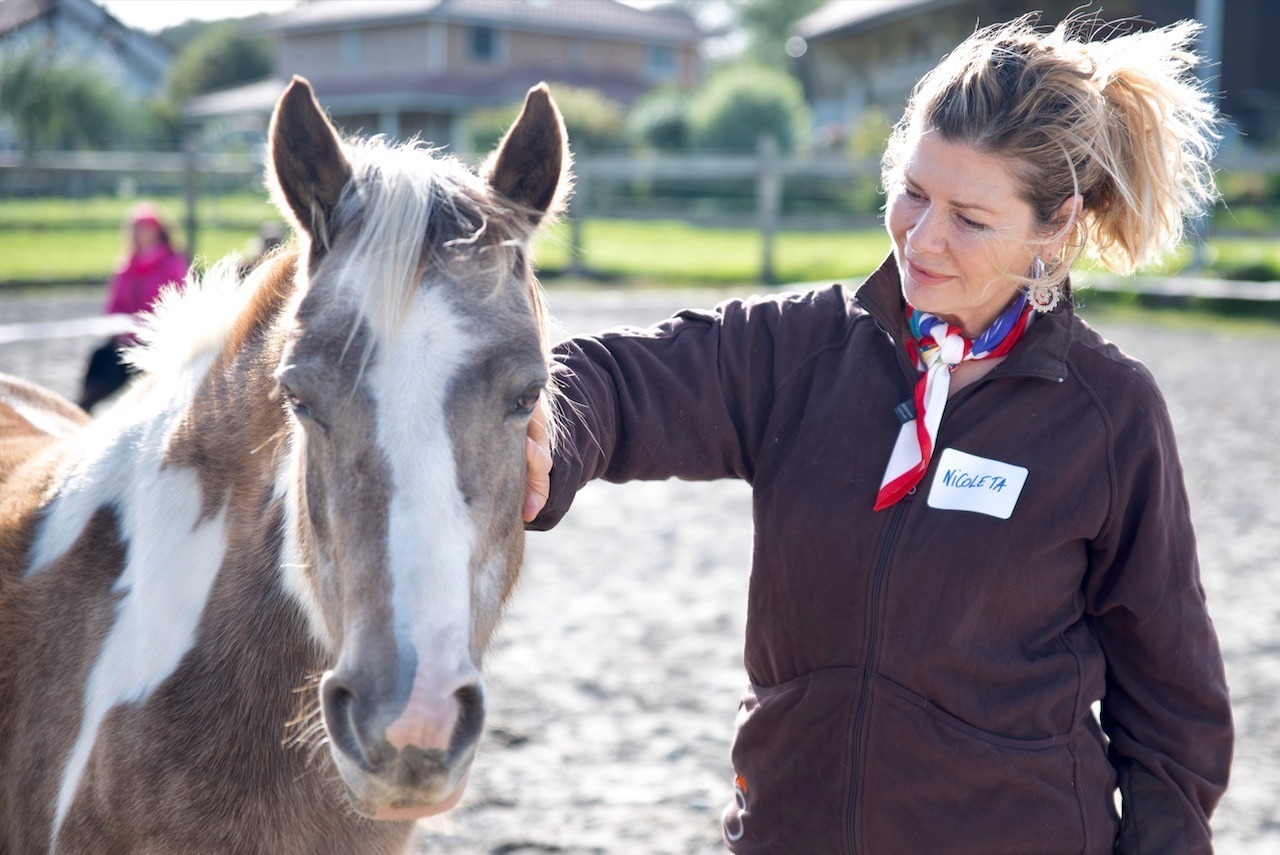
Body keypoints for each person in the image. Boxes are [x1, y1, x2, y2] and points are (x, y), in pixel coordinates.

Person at [521, 14, 1232, 855]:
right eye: (914, 193)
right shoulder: (800, 350)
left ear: (1055, 226)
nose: (923, 238)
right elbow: (615, 380)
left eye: (970, 218)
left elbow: (1172, 708)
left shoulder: (1110, 415)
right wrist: (541, 433)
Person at [79, 202, 189, 411]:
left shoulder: (171, 264)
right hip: (126, 340)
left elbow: (179, 302)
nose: (137, 233)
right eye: (134, 228)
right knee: (100, 359)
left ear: (157, 231)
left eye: (143, 228)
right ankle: (83, 407)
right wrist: (119, 330)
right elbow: (114, 305)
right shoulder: (126, 266)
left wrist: (145, 329)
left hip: (158, 341)